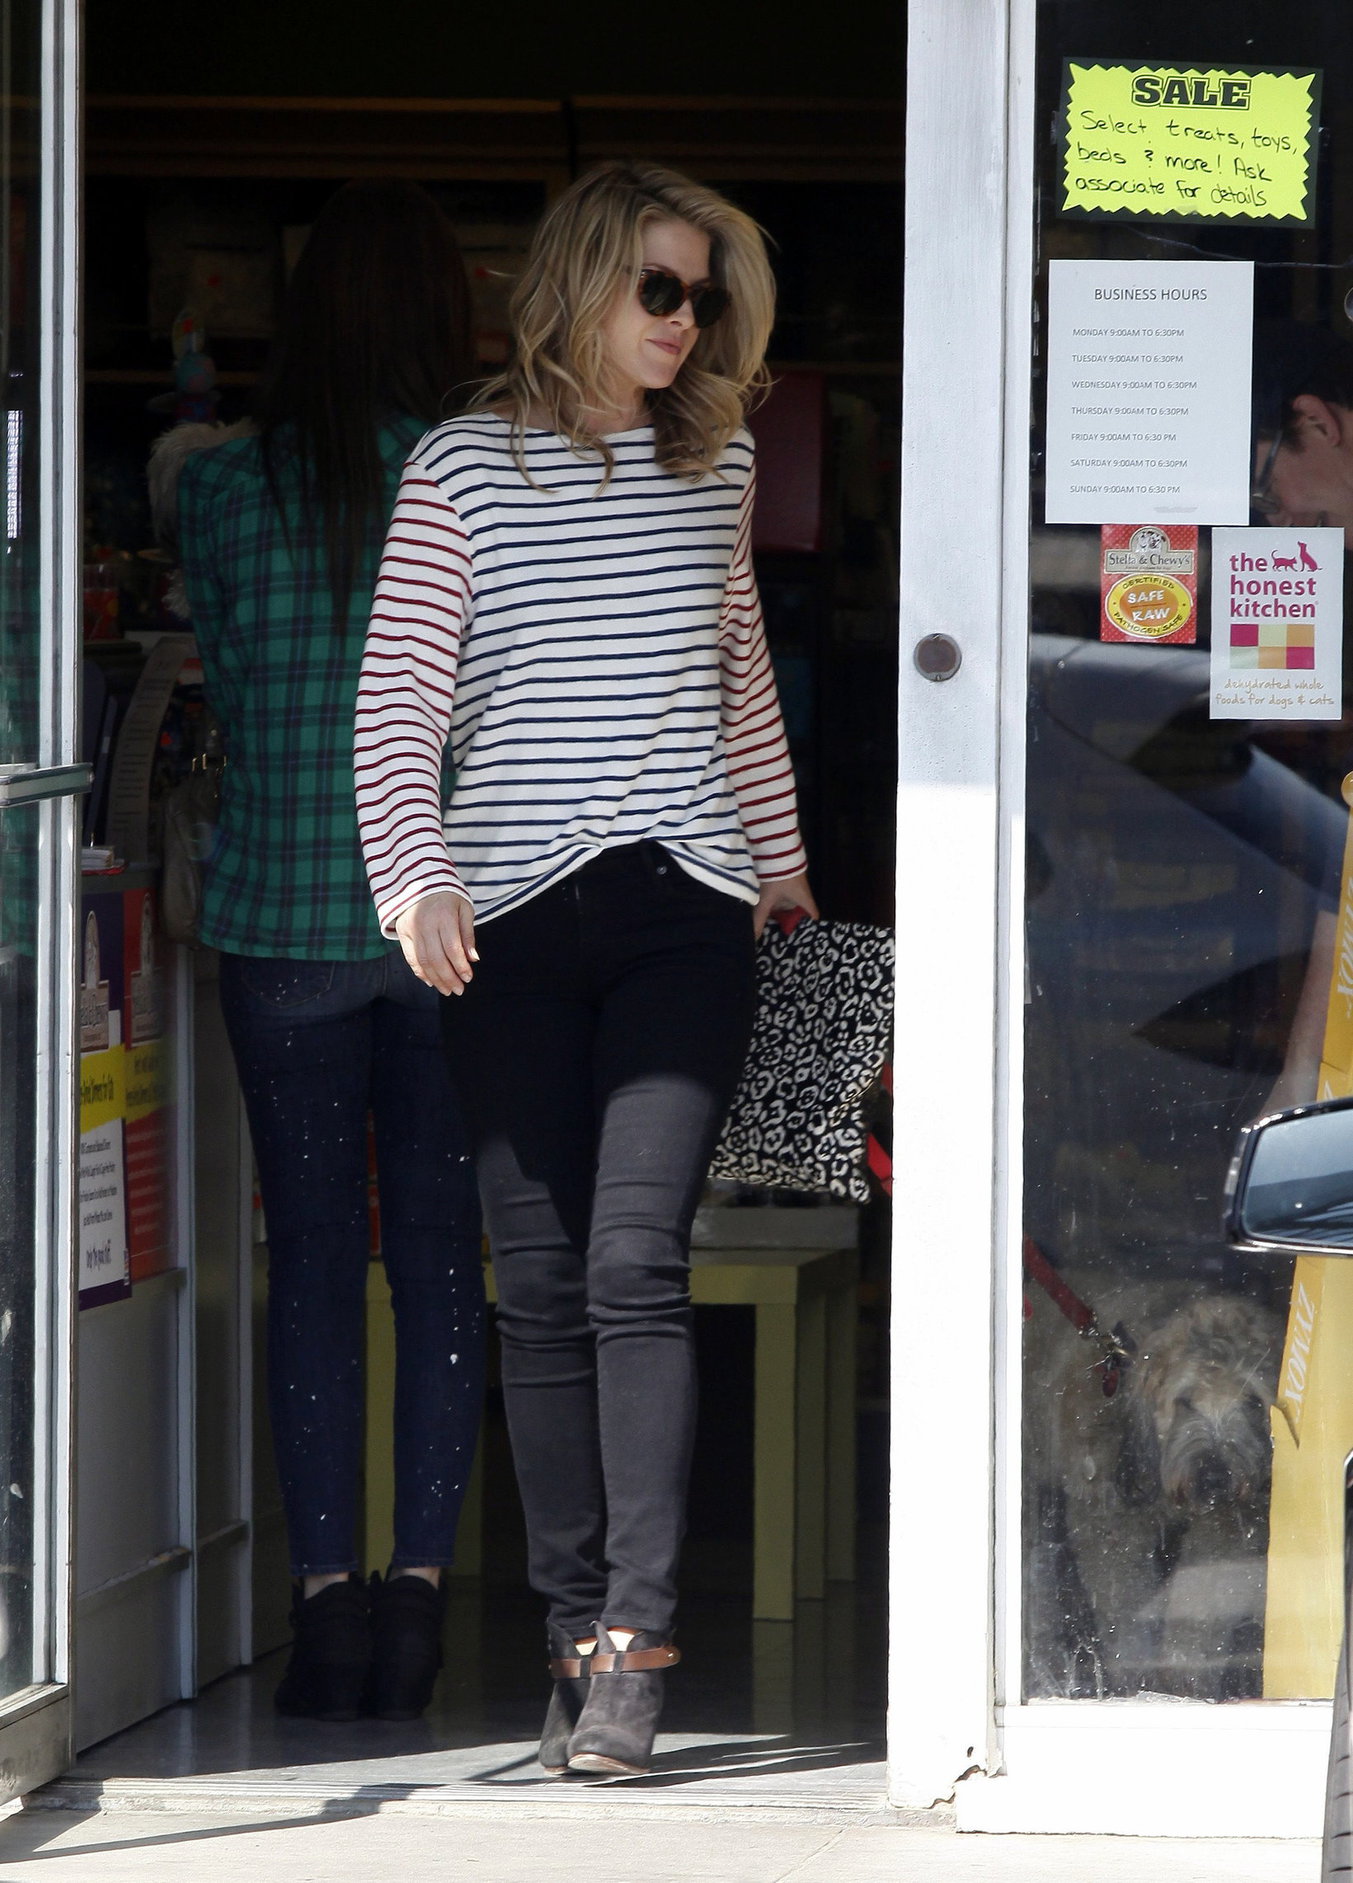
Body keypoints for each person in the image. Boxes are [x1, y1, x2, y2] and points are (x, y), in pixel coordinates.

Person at [354, 160, 816, 1776]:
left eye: (705, 294)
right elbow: (399, 700)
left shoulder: (718, 463)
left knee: (633, 1263)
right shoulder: (462, 470)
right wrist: (410, 876)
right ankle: (567, 1632)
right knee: (536, 1288)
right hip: (511, 922)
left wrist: (785, 873)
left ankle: (633, 1634)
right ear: (579, 288)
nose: (686, 323)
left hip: (684, 905)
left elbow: (737, 675)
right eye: (661, 290)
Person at [171, 181, 486, 1723]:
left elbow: (221, 686)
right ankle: (418, 1599)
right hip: (448, 926)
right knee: (436, 1258)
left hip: (283, 920)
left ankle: (323, 1609)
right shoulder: (476, 479)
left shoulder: (221, 491)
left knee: (312, 1258)